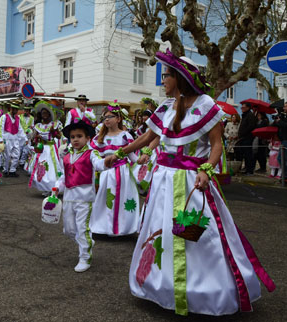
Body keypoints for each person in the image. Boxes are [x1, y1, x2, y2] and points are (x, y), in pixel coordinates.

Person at [106, 50, 274, 316]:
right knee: (159, 229)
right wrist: (120, 152)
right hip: (162, 179)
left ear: (181, 78)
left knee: (197, 234)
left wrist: (207, 169)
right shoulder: (164, 107)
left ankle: (203, 290)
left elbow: (217, 144)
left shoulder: (207, 105)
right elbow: (148, 136)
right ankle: (160, 285)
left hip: (192, 180)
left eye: (167, 75)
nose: (163, 80)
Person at [55, 120, 106, 273]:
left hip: (85, 199)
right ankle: (87, 242)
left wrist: (109, 161)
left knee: (82, 229)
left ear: (88, 138)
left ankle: (85, 257)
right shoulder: (66, 156)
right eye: (72, 137)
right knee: (69, 230)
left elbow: (99, 164)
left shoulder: (92, 154)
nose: (75, 139)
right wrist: (56, 188)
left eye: (79, 136)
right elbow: (63, 176)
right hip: (69, 198)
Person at [89, 102, 139, 236]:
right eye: (105, 117)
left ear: (118, 119)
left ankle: (123, 227)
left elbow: (132, 156)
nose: (106, 119)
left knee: (123, 199)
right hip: (106, 174)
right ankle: (103, 227)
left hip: (123, 174)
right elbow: (93, 155)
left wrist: (142, 160)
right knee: (105, 199)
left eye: (110, 116)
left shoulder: (125, 136)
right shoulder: (100, 138)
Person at [27, 101, 63, 196]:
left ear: (49, 114)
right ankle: (46, 189)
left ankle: (54, 188)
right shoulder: (38, 126)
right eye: (43, 113)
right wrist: (35, 138)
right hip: (42, 150)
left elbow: (59, 137)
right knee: (42, 168)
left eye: (46, 113)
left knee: (52, 169)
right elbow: (33, 139)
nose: (45, 115)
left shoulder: (53, 125)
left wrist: (54, 132)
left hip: (51, 149)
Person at [0, 103, 26, 177]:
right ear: (10, 109)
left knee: (16, 154)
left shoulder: (17, 118)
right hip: (7, 138)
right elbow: (0, 128)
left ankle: (12, 170)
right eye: (14, 109)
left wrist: (25, 138)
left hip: (15, 138)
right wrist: (0, 139)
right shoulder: (4, 117)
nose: (15, 111)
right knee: (6, 156)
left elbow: (20, 129)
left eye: (16, 110)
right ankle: (5, 170)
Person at [237, 102, 257, 174]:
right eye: (241, 107)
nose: (242, 109)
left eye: (243, 107)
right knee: (244, 154)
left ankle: (249, 170)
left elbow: (250, 127)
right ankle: (246, 168)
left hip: (247, 138)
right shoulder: (245, 115)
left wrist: (243, 133)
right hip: (243, 138)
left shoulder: (250, 116)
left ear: (248, 108)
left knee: (248, 154)